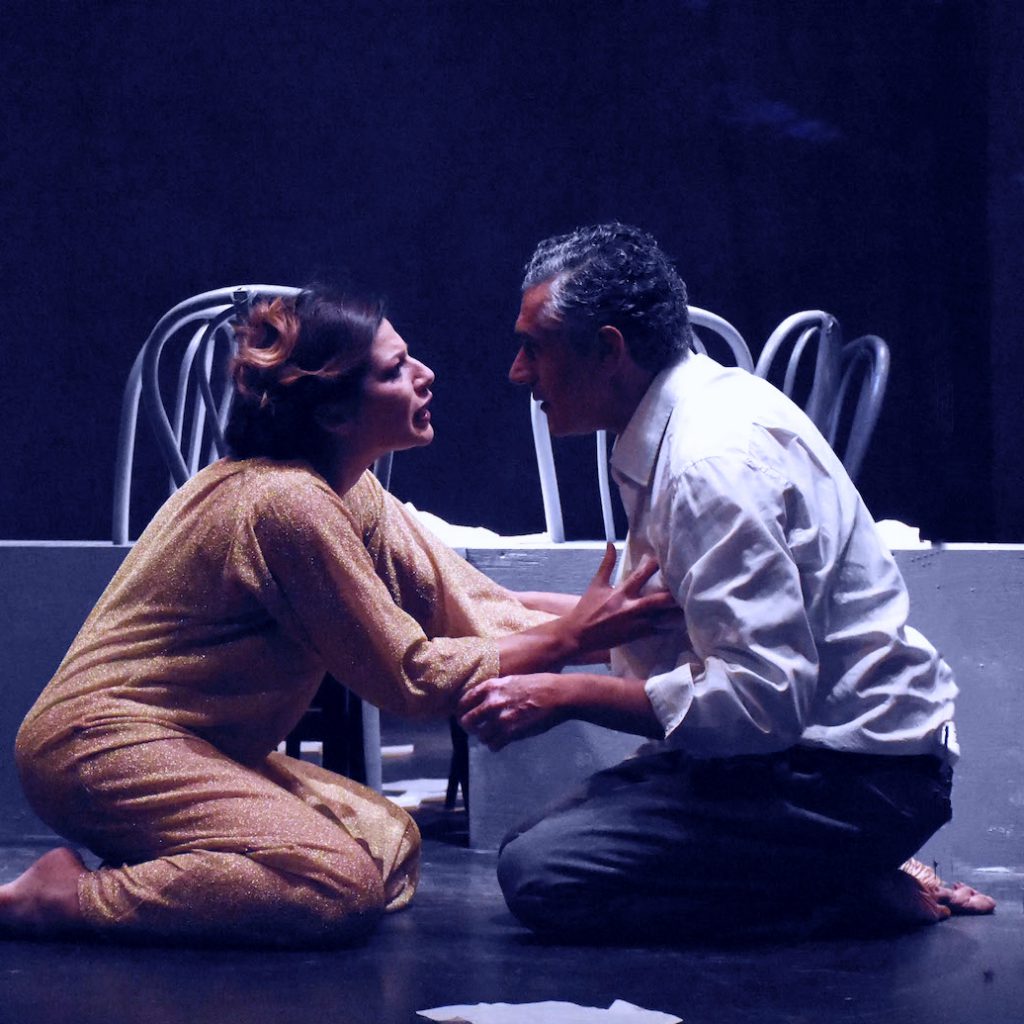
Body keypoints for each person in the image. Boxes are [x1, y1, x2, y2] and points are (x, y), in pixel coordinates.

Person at [1, 285, 674, 947]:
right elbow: (408, 677)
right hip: (99, 746)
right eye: (394, 370)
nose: (424, 374)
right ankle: (64, 898)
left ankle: (189, 864)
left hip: (200, 743)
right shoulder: (285, 504)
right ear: (334, 414)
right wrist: (575, 636)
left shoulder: (352, 491)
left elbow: (469, 607)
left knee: (390, 842)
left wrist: (633, 624)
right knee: (337, 885)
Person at [458, 222, 996, 940]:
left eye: (535, 348)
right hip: (799, 758)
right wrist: (503, 612)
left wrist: (568, 694)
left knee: (543, 874)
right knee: (535, 842)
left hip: (853, 776)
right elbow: (673, 613)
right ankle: (835, 872)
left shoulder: (708, 462)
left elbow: (760, 703)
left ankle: (852, 894)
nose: (518, 373)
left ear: (609, 350)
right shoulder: (684, 417)